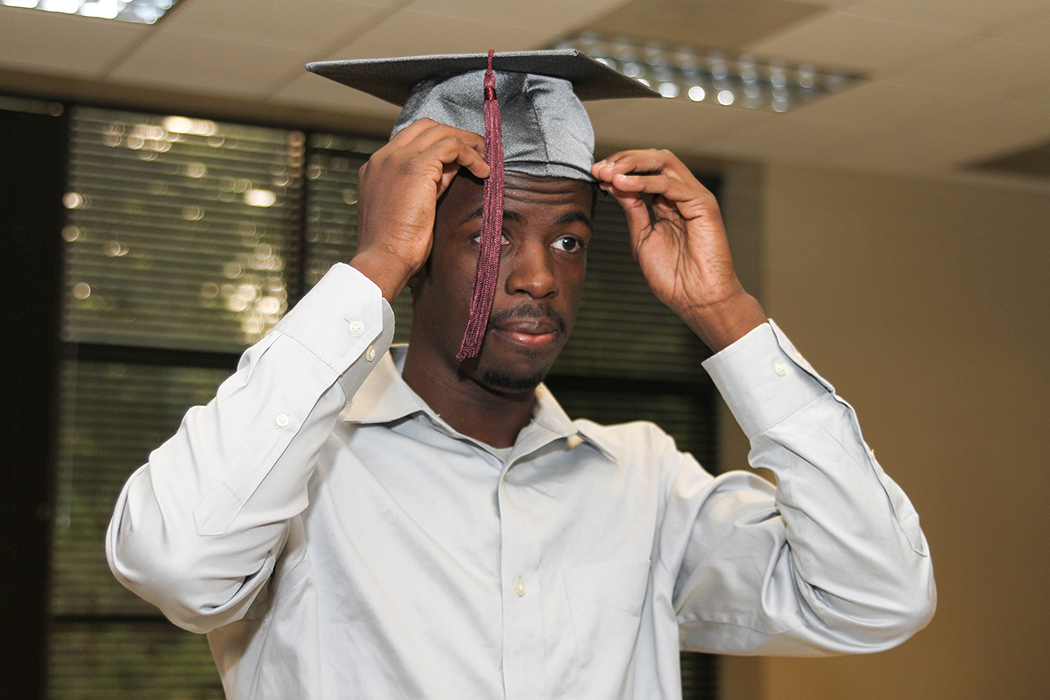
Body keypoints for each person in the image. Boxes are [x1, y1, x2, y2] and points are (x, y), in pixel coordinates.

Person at [106, 51, 935, 700]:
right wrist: (373, 265)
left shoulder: (646, 486)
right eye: (491, 236)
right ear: (420, 250)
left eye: (569, 241)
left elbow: (878, 597)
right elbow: (174, 563)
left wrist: (726, 312)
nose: (539, 276)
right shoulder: (296, 475)